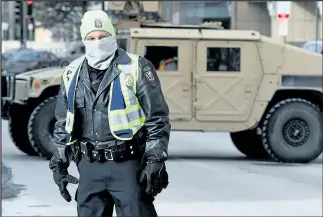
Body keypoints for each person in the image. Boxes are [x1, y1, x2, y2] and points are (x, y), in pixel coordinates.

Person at [49, 9, 171, 217]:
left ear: (112, 36)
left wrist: (155, 159)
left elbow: (157, 119)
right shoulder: (71, 73)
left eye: (103, 36)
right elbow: (63, 123)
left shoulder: (137, 67)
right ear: (84, 40)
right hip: (89, 167)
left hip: (129, 166)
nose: (98, 41)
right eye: (92, 37)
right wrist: (58, 163)